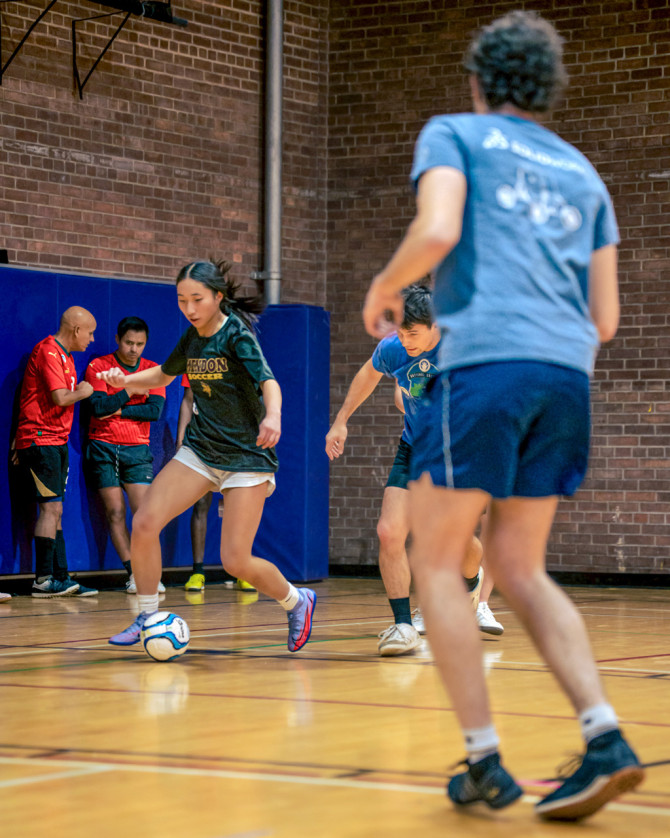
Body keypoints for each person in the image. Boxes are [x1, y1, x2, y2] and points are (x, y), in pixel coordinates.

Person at [362, 10, 643, 821]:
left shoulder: (455, 132)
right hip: (566, 375)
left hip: (486, 368)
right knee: (519, 569)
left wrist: (386, 287)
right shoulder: (584, 173)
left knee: (438, 561)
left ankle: (484, 760)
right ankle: (605, 736)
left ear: (479, 79)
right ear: (547, 86)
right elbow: (607, 320)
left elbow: (439, 226)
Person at [98, 259, 316, 651]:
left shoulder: (236, 336)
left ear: (218, 297)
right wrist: (125, 380)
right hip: (201, 450)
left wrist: (274, 416)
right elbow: (164, 375)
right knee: (145, 520)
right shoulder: (192, 337)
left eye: (197, 299)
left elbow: (269, 381)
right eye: (182, 300)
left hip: (247, 457)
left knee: (235, 560)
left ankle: (296, 600)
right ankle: (148, 615)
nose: (189, 308)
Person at [326, 284, 488, 656]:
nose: (405, 340)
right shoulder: (394, 348)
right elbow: (368, 373)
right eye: (400, 332)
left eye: (412, 333)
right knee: (389, 531)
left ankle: (471, 581)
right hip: (415, 447)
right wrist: (341, 421)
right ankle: (402, 626)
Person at [13, 307, 99, 597]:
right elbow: (60, 397)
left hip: (55, 442)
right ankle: (44, 579)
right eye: (89, 332)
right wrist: (85, 392)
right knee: (51, 509)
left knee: (56, 510)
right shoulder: (49, 351)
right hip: (41, 441)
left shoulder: (67, 357)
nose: (92, 338)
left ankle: (60, 576)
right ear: (76, 330)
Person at [84, 316, 166, 595]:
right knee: (115, 512)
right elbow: (97, 407)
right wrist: (130, 390)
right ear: (118, 339)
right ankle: (134, 575)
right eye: (129, 342)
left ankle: (150, 572)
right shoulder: (99, 366)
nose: (133, 349)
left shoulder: (153, 370)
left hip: (137, 449)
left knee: (144, 516)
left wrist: (117, 408)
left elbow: (153, 411)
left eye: (139, 344)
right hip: (103, 447)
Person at [177, 379, 246, 593]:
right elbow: (188, 400)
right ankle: (198, 571)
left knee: (236, 509)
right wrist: (180, 441)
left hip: (234, 443)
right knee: (200, 505)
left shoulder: (241, 360)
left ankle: (241, 571)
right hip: (202, 443)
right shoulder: (198, 359)